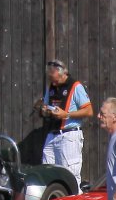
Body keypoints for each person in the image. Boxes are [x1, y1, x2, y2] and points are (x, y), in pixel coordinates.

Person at [39, 59, 91, 188]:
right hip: (52, 134)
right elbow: (46, 105)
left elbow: (88, 111)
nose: (51, 79)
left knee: (70, 175)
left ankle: (74, 198)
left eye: (53, 76)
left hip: (68, 135)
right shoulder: (51, 87)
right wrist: (45, 110)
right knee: (47, 173)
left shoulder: (75, 86)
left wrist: (66, 114)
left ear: (62, 73)